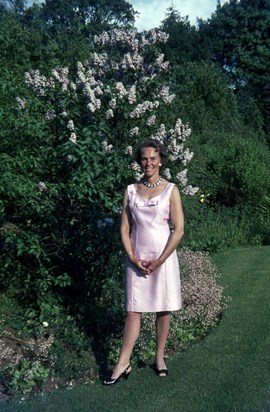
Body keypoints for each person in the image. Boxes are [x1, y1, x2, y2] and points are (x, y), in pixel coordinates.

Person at [104, 138, 184, 385]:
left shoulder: (171, 190)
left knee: (163, 308)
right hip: (136, 258)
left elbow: (179, 229)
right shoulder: (130, 190)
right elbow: (124, 227)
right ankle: (122, 362)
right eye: (144, 159)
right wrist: (132, 257)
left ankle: (159, 357)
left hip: (163, 257)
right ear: (139, 161)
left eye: (152, 158)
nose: (148, 163)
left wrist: (160, 260)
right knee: (133, 310)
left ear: (160, 160)